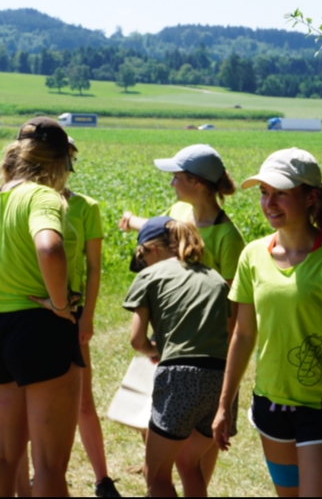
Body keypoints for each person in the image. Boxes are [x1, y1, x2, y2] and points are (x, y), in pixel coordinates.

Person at [212, 148, 322, 497]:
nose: (269, 203)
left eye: (281, 193)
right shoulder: (252, 255)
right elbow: (243, 335)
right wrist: (224, 405)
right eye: (264, 193)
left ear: (311, 197)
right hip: (270, 407)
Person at [0, 117, 84, 497]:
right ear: (60, 160)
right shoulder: (43, 197)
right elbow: (49, 248)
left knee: (2, 453)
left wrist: (7, 284)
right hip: (43, 329)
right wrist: (59, 303)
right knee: (49, 464)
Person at [119, 143, 245, 483]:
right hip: (167, 334)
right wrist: (133, 223)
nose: (171, 182)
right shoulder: (180, 211)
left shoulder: (229, 239)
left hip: (203, 346)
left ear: (197, 183)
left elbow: (230, 310)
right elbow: (161, 230)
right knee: (145, 412)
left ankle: (183, 478)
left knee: (197, 449)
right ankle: (159, 470)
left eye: (177, 177)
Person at [123, 216, 237, 497]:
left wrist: (156, 351)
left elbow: (137, 341)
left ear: (153, 250)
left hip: (179, 380)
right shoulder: (216, 280)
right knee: (188, 462)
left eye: (143, 258)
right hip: (220, 381)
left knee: (156, 474)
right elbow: (228, 332)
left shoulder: (150, 276)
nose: (144, 265)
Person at [64, 137, 121, 498]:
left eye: (70, 159)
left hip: (72, 313)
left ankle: (102, 479)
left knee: (84, 401)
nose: (67, 166)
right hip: (30, 313)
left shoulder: (85, 207)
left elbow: (94, 267)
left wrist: (88, 316)